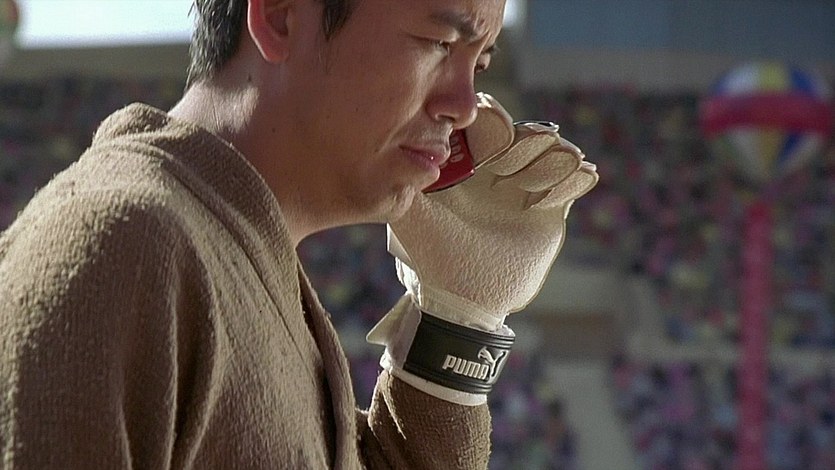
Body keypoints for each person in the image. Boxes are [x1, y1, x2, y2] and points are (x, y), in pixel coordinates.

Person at [0, 0, 597, 467]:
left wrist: (458, 324)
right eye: (439, 43)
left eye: (480, 62)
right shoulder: (120, 245)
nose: (465, 106)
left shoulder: (229, 257)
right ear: (281, 17)